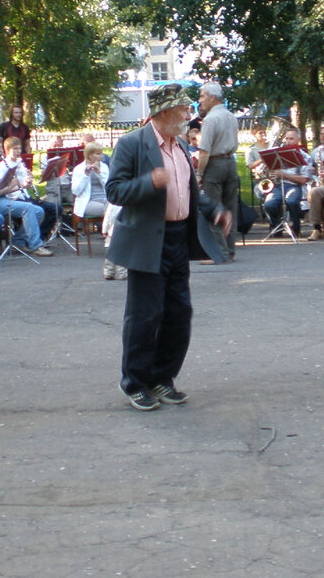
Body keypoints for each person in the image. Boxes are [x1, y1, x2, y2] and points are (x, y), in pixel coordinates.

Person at [106, 83, 231, 410]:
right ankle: (134, 382)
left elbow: (192, 192)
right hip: (147, 241)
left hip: (177, 240)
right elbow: (115, 191)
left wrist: (214, 210)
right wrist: (148, 182)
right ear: (164, 112)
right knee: (145, 316)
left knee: (179, 314)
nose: (190, 114)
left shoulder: (179, 148)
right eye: (184, 109)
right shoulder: (133, 144)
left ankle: (162, 378)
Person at [0, 135, 52, 256]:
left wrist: (16, 186)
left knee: (39, 211)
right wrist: (7, 189)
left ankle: (18, 241)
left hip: (1, 200)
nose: (1, 150)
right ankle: (35, 245)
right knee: (28, 208)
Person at [195, 82, 240, 262]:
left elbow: (204, 151)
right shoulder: (231, 116)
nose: (200, 101)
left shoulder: (210, 119)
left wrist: (199, 173)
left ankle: (219, 253)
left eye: (202, 96)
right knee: (231, 208)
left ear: (212, 98)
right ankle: (230, 250)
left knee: (214, 208)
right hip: (231, 162)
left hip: (215, 164)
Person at [71, 142, 119, 279]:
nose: (101, 156)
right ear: (90, 155)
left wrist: (99, 174)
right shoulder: (79, 169)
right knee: (110, 209)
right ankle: (110, 238)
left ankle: (109, 237)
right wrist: (86, 175)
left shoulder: (104, 167)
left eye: (101, 153)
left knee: (114, 207)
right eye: (98, 153)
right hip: (88, 202)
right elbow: (76, 190)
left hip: (104, 199)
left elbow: (110, 187)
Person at [0, 136, 59, 241]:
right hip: (14, 199)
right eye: (15, 149)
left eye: (19, 148)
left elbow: (24, 183)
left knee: (56, 209)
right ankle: (28, 239)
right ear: (7, 150)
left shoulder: (20, 162)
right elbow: (3, 187)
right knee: (39, 211)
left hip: (26, 196)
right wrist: (22, 185)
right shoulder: (3, 165)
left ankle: (40, 236)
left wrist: (29, 181)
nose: (18, 151)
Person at [261, 126, 308, 238]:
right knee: (269, 204)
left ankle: (296, 228)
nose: (287, 141)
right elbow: (270, 172)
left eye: (291, 139)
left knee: (291, 201)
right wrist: (271, 174)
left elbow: (303, 180)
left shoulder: (304, 156)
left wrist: (284, 175)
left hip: (294, 186)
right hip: (278, 186)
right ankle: (278, 226)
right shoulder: (277, 154)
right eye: (286, 138)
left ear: (298, 140)